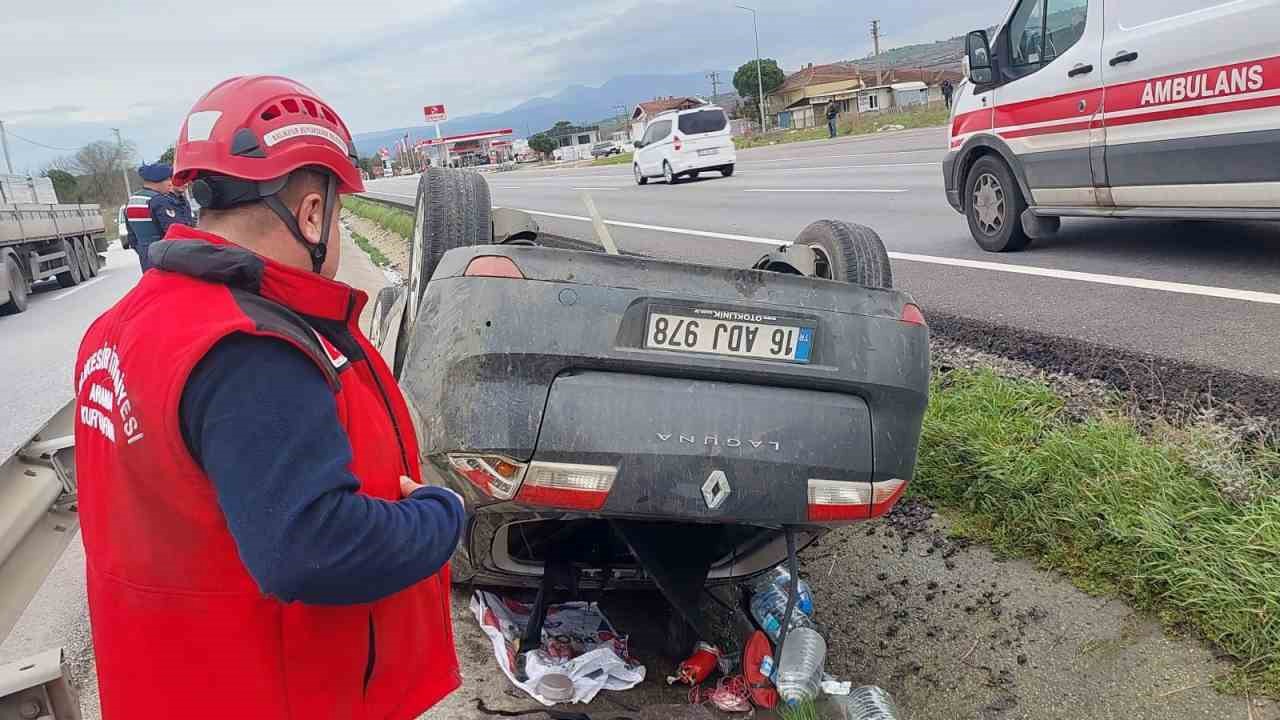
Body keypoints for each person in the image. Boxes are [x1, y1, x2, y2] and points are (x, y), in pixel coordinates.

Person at [73, 75, 464, 720]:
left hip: (171, 683)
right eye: (336, 213)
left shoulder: (125, 326)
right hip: (266, 692)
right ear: (312, 213)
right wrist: (440, 515)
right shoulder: (248, 347)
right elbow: (314, 547)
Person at [124, 162, 193, 272]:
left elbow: (132, 238)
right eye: (168, 180)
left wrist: (144, 251)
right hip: (165, 260)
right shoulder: (159, 200)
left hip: (146, 259)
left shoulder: (132, 201)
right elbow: (176, 233)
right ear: (156, 182)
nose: (171, 184)